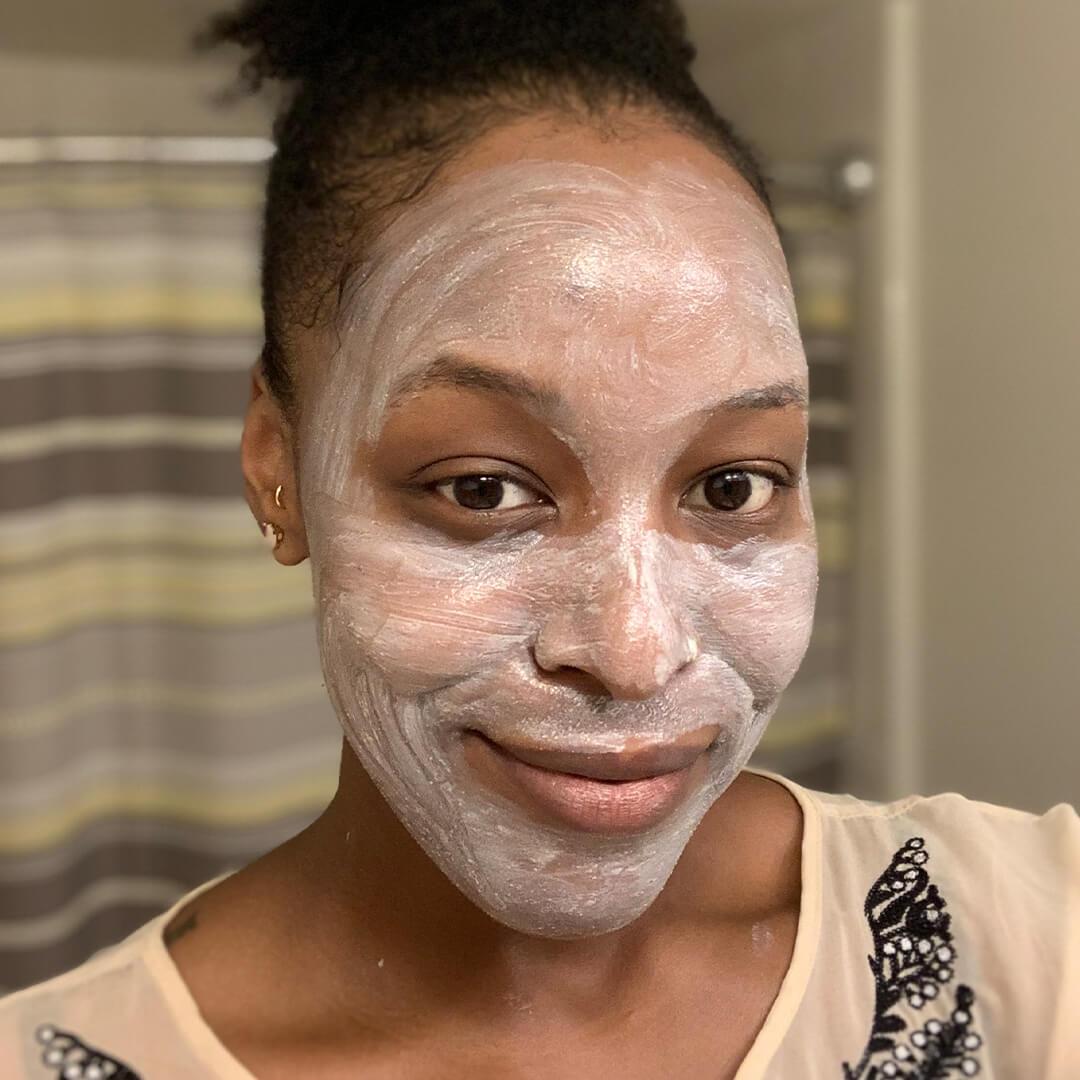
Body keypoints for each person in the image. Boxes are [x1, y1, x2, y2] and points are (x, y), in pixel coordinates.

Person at [2, 2, 1078, 1077]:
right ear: (276, 463)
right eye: (482, 489)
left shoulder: (1036, 941)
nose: (634, 654)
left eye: (733, 483)